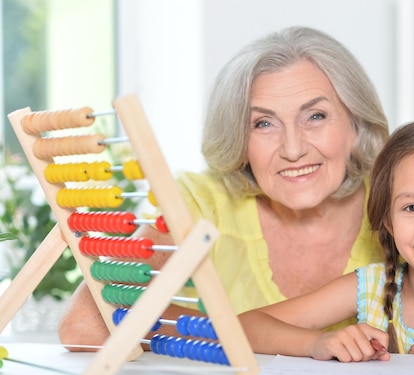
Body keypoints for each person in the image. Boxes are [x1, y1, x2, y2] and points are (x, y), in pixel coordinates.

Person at [57, 26, 389, 349]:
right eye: (263, 123)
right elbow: (84, 324)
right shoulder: (204, 205)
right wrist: (281, 340)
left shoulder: (400, 202)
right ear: (239, 140)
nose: (292, 148)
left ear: (356, 124)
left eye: (315, 116)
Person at [238, 115, 414, 362]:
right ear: (389, 221)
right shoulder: (370, 287)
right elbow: (242, 327)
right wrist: (316, 343)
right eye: (412, 207)